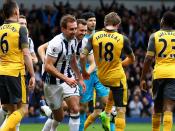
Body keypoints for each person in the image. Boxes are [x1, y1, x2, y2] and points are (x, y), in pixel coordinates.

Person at [80, 12, 135, 131]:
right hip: (115, 76)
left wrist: (84, 71)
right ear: (118, 24)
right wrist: (120, 63)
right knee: (121, 110)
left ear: (104, 23)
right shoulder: (122, 38)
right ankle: (112, 118)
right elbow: (132, 59)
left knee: (86, 107)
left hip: (100, 76)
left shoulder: (93, 37)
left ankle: (106, 111)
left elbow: (83, 56)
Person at [43, 14, 86, 131]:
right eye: (71, 29)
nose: (74, 31)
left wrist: (80, 78)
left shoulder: (74, 41)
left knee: (75, 109)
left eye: (75, 28)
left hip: (68, 78)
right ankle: (47, 113)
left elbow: (72, 60)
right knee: (59, 116)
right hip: (51, 83)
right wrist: (66, 79)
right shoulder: (55, 43)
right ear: (63, 29)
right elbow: (48, 66)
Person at [0, 0, 35, 131]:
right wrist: (32, 74)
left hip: (2, 73)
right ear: (16, 12)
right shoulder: (21, 29)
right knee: (23, 109)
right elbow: (26, 54)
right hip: (16, 73)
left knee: (11, 112)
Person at [140, 11, 175, 131]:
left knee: (157, 108)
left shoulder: (155, 36)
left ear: (163, 21)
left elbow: (148, 58)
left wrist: (143, 77)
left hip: (159, 74)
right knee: (169, 108)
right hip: (173, 75)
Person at [79, 12, 110, 131]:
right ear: (85, 23)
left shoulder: (100, 36)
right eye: (90, 20)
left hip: (100, 74)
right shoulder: (81, 38)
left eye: (95, 20)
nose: (93, 22)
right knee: (83, 107)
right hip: (87, 75)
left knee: (109, 106)